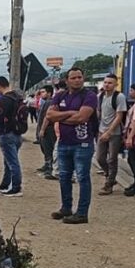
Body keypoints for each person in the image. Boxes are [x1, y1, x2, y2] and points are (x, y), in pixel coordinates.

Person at [46, 67, 98, 224]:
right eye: (73, 78)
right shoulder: (60, 95)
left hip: (82, 143)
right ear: (67, 80)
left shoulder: (90, 96)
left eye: (80, 77)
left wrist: (60, 117)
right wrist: (70, 114)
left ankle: (82, 213)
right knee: (64, 177)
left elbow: (81, 118)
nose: (77, 80)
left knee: (82, 177)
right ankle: (66, 208)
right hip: (64, 142)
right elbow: (49, 115)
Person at [96, 74, 128, 195]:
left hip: (114, 133)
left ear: (115, 84)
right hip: (101, 131)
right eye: (105, 82)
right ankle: (110, 176)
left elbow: (119, 116)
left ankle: (108, 185)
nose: (106, 85)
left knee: (112, 159)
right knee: (99, 157)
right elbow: (99, 113)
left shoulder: (119, 97)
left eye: (110, 83)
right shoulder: (100, 96)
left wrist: (109, 132)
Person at [37, 85, 57, 180]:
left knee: (48, 148)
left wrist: (42, 129)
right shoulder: (45, 102)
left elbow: (47, 117)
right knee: (45, 148)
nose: (41, 94)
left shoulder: (50, 102)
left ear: (49, 93)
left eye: (43, 92)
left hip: (49, 129)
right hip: (46, 128)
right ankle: (47, 165)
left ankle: (50, 167)